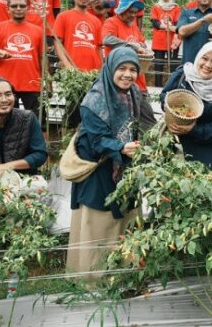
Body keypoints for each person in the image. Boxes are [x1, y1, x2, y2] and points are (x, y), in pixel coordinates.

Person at [67, 47, 142, 273]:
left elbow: (141, 124)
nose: (127, 75)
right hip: (98, 168)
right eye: (122, 69)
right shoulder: (94, 100)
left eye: (133, 69)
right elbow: (97, 140)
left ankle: (125, 271)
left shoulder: (133, 93)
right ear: (110, 69)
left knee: (125, 216)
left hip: (125, 164)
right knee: (99, 220)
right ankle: (94, 276)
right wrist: (120, 146)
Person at [161, 42, 212, 170]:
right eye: (204, 58)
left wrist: (193, 130)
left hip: (208, 157)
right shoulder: (184, 74)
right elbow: (165, 94)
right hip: (175, 148)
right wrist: (168, 108)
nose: (207, 65)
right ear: (198, 57)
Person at [101, 0, 156, 129]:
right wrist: (133, 46)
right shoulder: (111, 22)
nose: (133, 15)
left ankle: (149, 145)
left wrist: (142, 47)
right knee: (121, 120)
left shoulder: (134, 26)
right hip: (119, 81)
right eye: (130, 11)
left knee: (147, 118)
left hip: (138, 81)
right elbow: (107, 39)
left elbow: (141, 42)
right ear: (122, 10)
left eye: (135, 12)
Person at [0, 0, 44, 114]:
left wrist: (47, 80)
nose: (18, 8)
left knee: (38, 122)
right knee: (7, 121)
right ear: (8, 9)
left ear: (27, 8)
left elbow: (42, 57)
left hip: (32, 83)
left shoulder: (38, 30)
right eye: (14, 6)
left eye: (22, 6)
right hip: (5, 85)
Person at [52, 0, 103, 72]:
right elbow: (57, 43)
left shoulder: (97, 21)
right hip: (73, 71)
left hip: (93, 71)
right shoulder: (63, 16)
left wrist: (101, 69)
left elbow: (99, 48)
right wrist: (68, 65)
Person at [150, 0, 181, 86]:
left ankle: (172, 87)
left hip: (173, 41)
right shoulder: (156, 7)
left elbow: (178, 23)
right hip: (159, 40)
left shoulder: (176, 7)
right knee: (159, 64)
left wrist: (170, 26)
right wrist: (167, 26)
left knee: (173, 65)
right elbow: (155, 22)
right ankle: (158, 86)